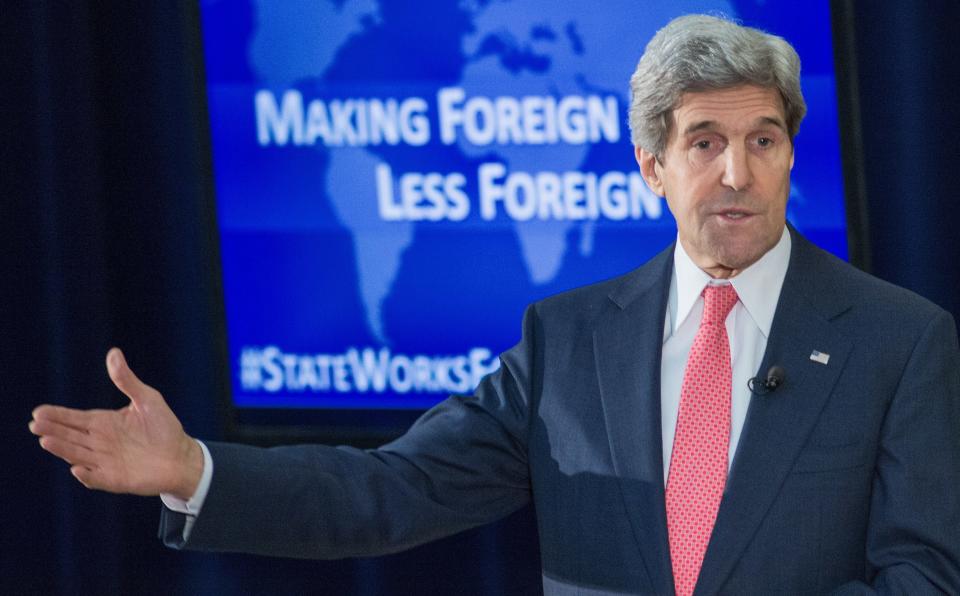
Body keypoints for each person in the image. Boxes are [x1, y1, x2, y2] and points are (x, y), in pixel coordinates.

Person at [30, 14, 960, 595]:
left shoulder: (899, 339)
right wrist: (193, 467)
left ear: (792, 153)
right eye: (705, 141)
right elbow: (395, 491)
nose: (737, 172)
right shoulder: (569, 343)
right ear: (652, 168)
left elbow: (924, 574)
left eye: (764, 139)